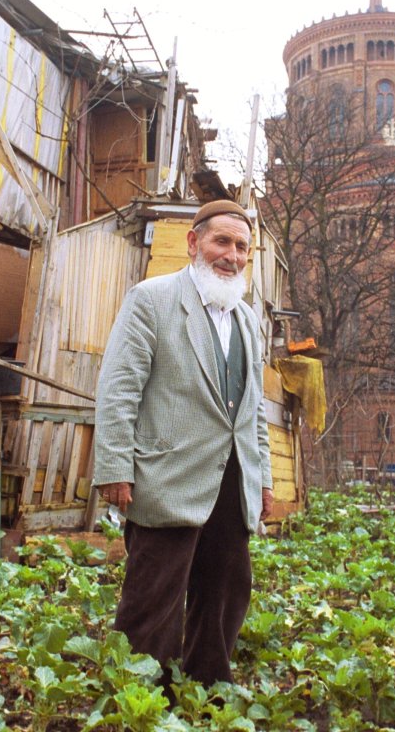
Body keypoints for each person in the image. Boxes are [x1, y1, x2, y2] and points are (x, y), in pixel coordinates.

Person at [93, 198, 274, 688]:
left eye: (242, 246)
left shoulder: (248, 321)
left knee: (225, 591)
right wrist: (114, 466)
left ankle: (206, 684)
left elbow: (253, 408)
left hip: (231, 479)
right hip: (167, 476)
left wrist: (264, 481)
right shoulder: (152, 299)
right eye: (222, 241)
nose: (232, 255)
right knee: (156, 595)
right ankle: (142, 695)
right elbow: (119, 386)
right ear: (194, 243)